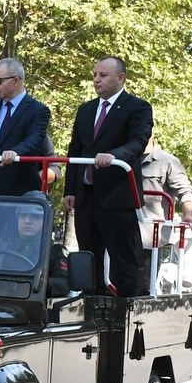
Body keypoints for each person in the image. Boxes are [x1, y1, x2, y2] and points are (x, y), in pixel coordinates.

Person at [64, 56, 154, 296]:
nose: (96, 79)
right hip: (86, 197)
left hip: (117, 197)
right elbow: (76, 150)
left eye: (102, 75)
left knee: (122, 260)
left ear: (120, 77)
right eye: (94, 75)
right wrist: (70, 190)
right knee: (88, 259)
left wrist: (113, 156)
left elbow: (137, 142)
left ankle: (126, 313)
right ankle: (93, 308)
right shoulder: (86, 110)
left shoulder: (137, 107)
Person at [0, 58, 53, 196]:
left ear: (16, 81)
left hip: (19, 190)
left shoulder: (38, 110)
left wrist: (15, 151)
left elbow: (35, 139)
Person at [138, 135, 192, 294]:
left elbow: (186, 191)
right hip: (119, 235)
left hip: (149, 239)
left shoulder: (167, 161)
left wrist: (189, 215)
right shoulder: (122, 158)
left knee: (142, 289)